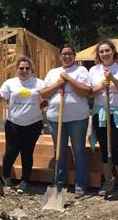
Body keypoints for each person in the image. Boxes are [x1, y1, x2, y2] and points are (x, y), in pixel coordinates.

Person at [40, 45, 91, 197]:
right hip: (56, 118)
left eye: (70, 54)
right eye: (64, 54)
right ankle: (59, 182)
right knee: (59, 151)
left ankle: (80, 183)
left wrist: (68, 79)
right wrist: (58, 84)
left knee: (79, 150)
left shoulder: (81, 71)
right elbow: (43, 93)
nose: (67, 56)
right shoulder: (53, 72)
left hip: (78, 118)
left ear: (74, 56)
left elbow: (85, 92)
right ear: (60, 56)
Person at [89, 39, 118, 197]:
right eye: (101, 52)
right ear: (98, 54)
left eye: (107, 50)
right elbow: (91, 92)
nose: (104, 54)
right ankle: (108, 180)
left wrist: (113, 80)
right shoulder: (94, 70)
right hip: (100, 113)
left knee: (116, 148)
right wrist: (102, 86)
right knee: (104, 149)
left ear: (113, 51)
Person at [0, 56, 45, 193]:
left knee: (27, 152)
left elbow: (46, 99)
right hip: (14, 123)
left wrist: (41, 106)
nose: (24, 70)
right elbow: (0, 99)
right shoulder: (10, 83)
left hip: (33, 123)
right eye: (21, 68)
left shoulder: (39, 83)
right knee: (11, 152)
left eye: (27, 68)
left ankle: (25, 180)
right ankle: (6, 177)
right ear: (16, 69)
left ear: (31, 69)